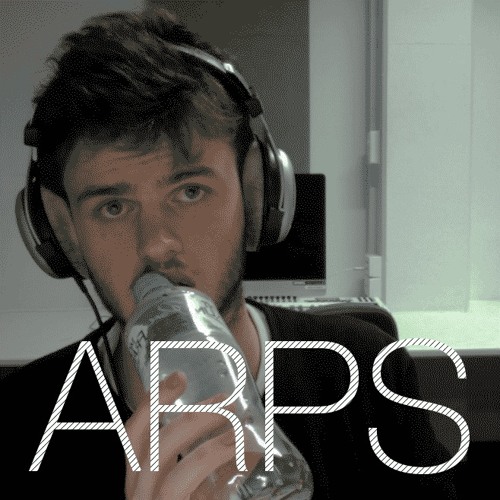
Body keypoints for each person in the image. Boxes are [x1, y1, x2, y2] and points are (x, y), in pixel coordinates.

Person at [1, 7, 458, 499]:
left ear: (254, 196)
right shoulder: (20, 419)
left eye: (190, 192)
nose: (156, 244)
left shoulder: (366, 373)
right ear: (66, 234)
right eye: (112, 207)